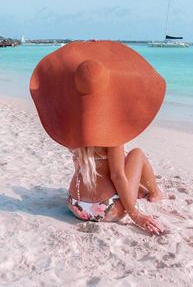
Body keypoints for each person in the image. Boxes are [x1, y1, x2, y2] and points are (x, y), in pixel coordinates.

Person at [30, 40, 166, 235]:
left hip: (75, 205)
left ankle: (142, 191)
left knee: (105, 162)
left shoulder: (73, 124)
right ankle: (155, 193)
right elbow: (117, 176)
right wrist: (135, 215)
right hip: (106, 209)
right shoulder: (111, 127)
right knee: (136, 154)